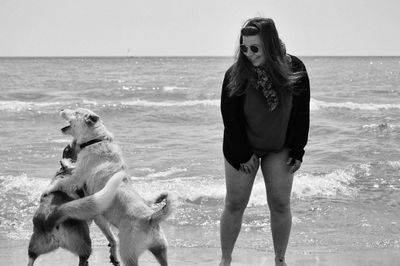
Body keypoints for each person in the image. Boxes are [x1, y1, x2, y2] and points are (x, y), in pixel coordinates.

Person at [219, 17, 310, 266]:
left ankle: (280, 260)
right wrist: (242, 153)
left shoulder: (295, 68)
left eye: (255, 48)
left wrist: (298, 150)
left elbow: (301, 113)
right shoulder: (236, 73)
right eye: (244, 47)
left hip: (279, 147)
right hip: (242, 145)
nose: (248, 53)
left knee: (280, 203)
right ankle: (225, 260)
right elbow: (230, 119)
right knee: (235, 203)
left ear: (269, 45)